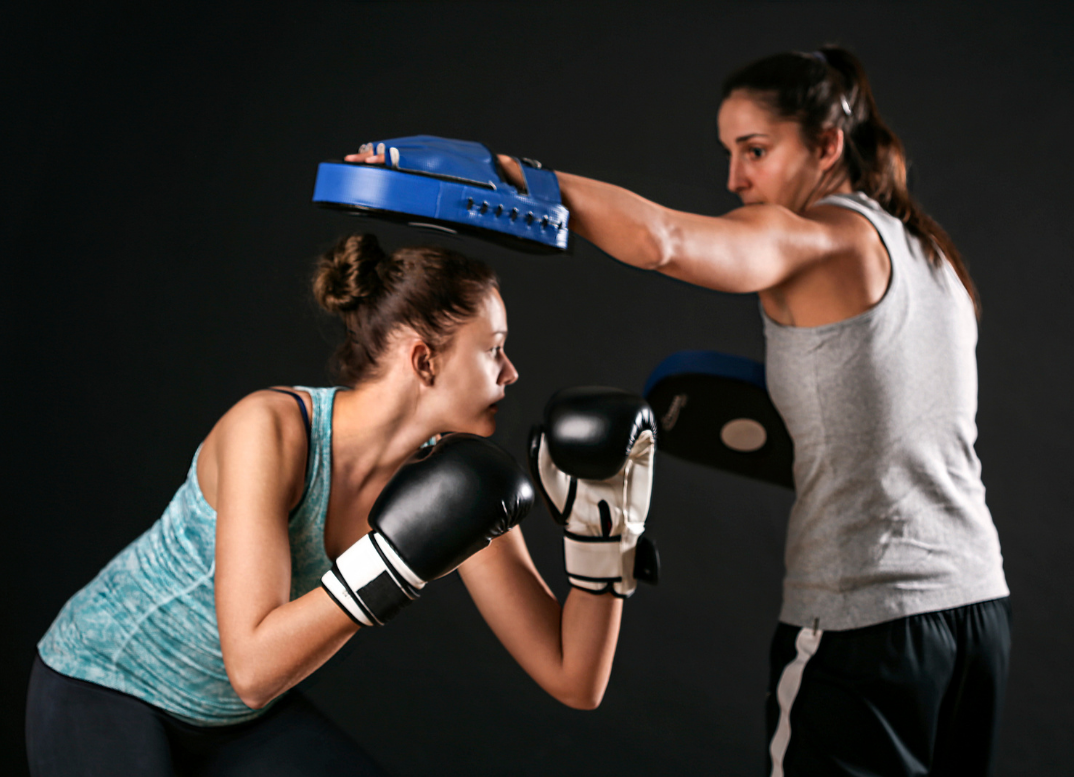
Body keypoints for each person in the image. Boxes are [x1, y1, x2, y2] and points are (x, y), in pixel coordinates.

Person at [351, 45, 1012, 776]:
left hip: (865, 617)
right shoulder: (935, 261)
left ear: (827, 145)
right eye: (730, 152)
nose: (735, 177)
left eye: (756, 150)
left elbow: (661, 241)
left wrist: (494, 177)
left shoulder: (819, 239)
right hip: (977, 611)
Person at [27, 233, 656, 776]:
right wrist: (393, 564)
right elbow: (253, 667)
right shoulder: (271, 429)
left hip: (236, 721)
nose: (511, 372)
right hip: (105, 684)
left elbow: (574, 678)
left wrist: (600, 539)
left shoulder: (455, 480)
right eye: (494, 347)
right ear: (424, 359)